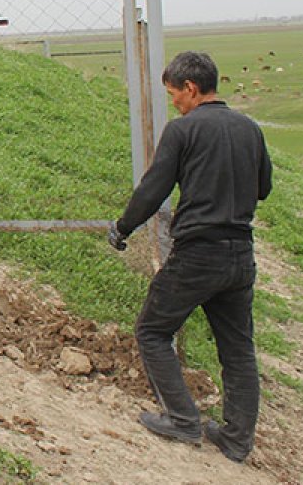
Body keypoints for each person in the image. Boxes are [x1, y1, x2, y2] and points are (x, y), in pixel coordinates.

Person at [107, 51, 272, 463]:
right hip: (241, 256)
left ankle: (182, 420)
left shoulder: (183, 131)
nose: (174, 102)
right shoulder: (250, 128)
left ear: (191, 89)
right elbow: (264, 187)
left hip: (199, 252)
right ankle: (236, 440)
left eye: (174, 94)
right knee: (238, 349)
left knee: (152, 330)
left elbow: (154, 188)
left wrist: (123, 227)